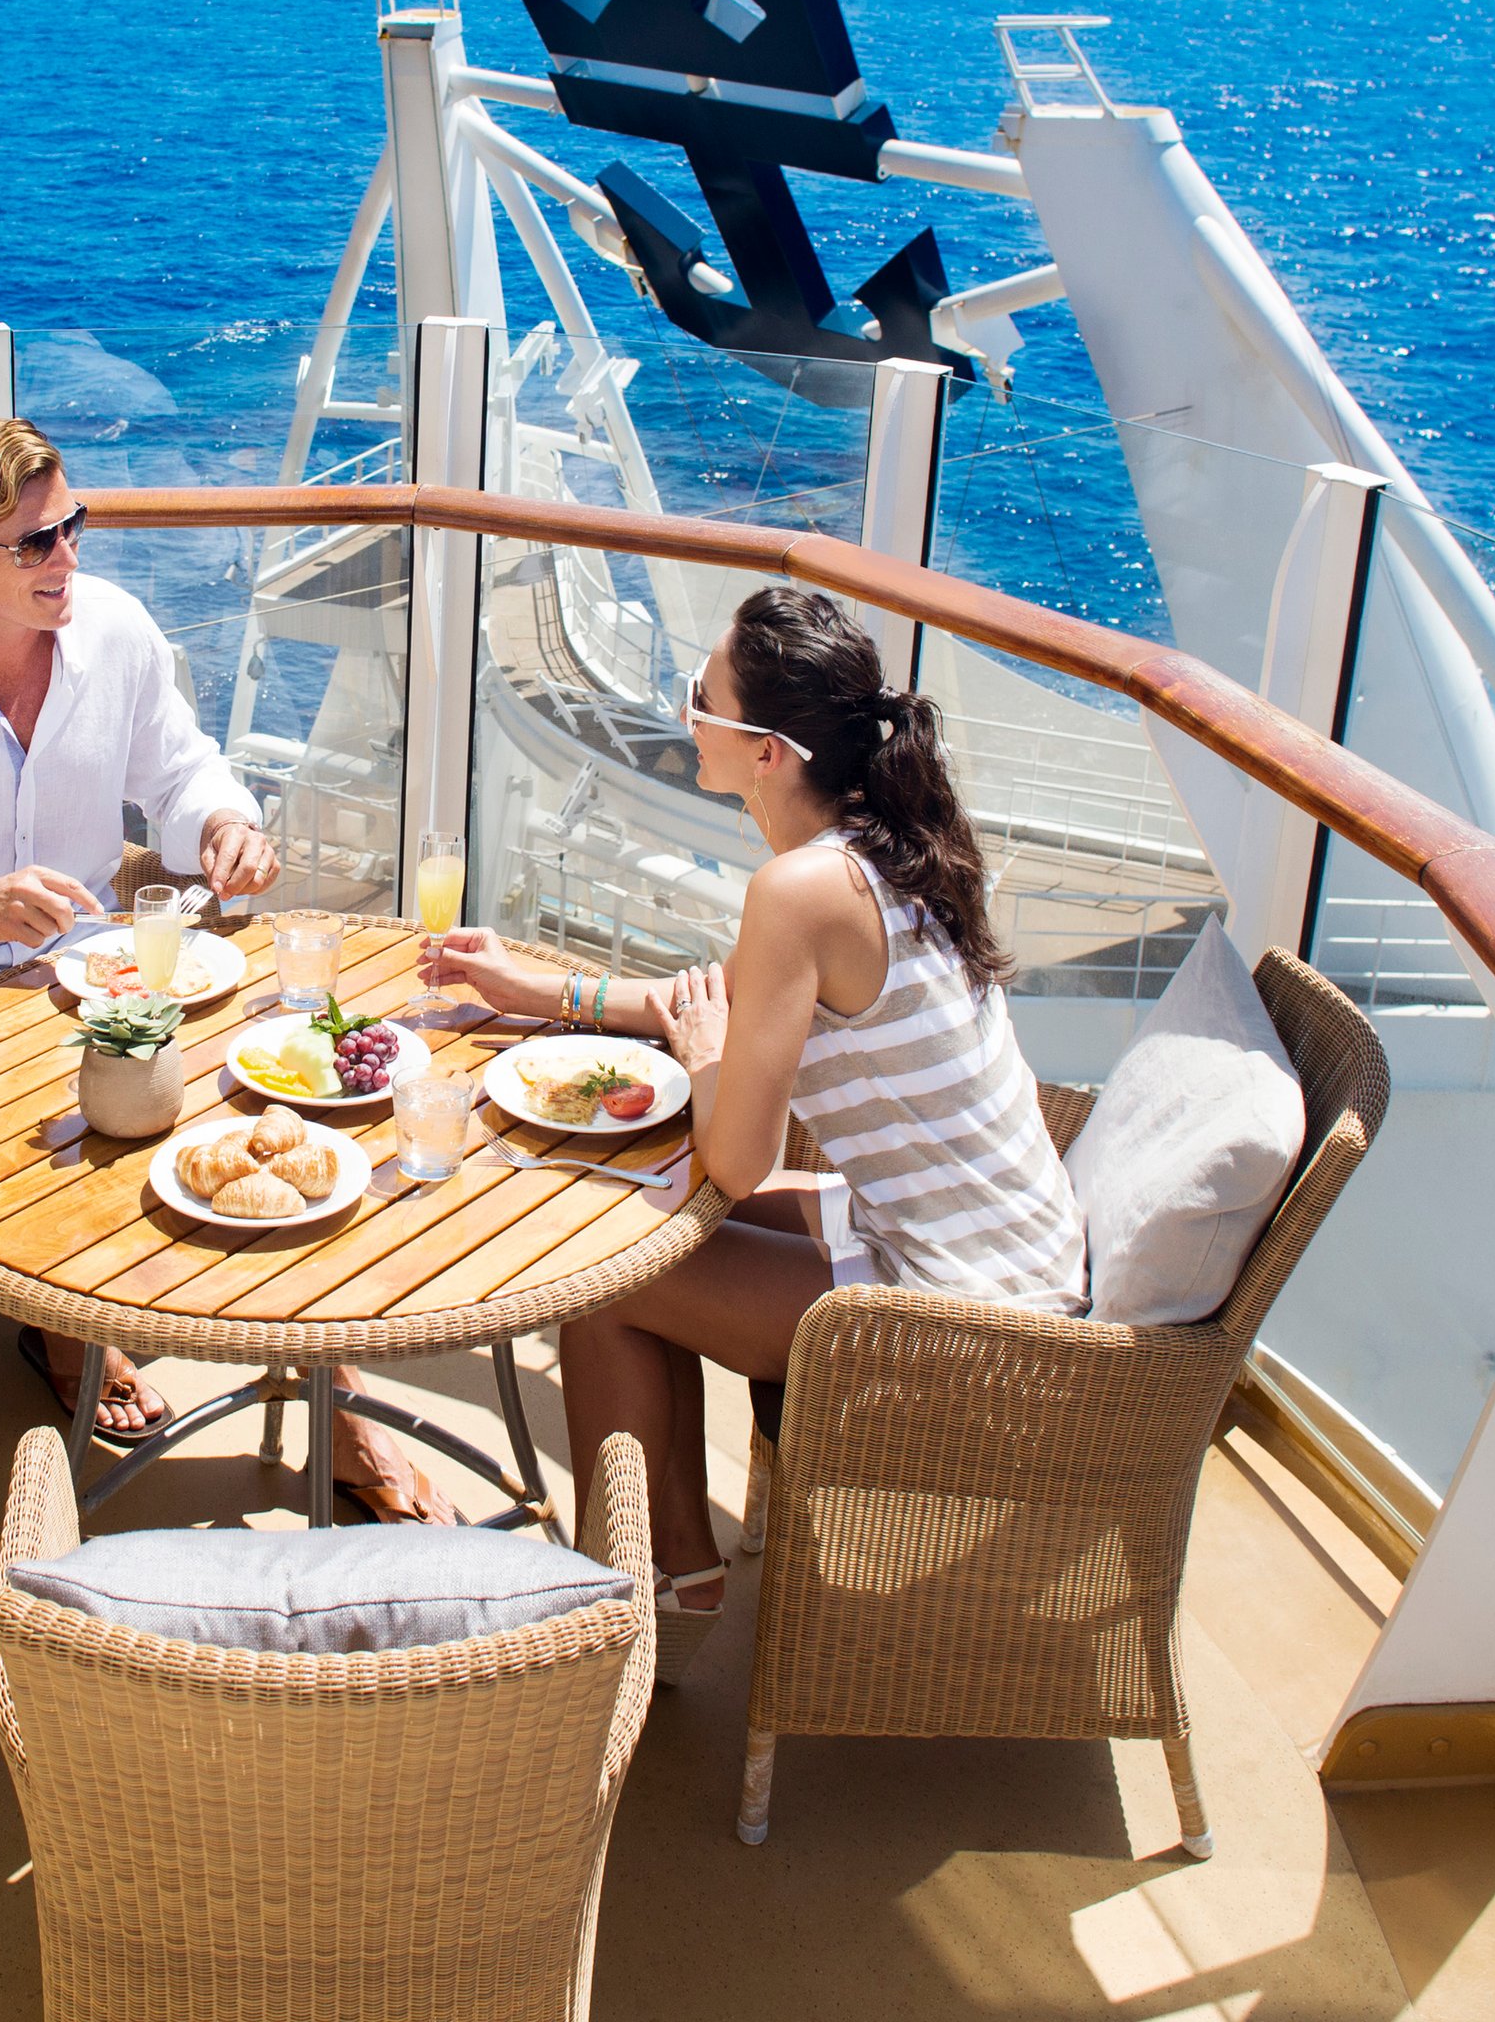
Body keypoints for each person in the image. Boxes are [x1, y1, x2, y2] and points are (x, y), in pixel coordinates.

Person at [0, 415, 452, 1519]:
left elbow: (181, 774)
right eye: (35, 542)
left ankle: (328, 1377)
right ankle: (70, 1331)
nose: (67, 556)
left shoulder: (113, 631)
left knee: (259, 1097)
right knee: (106, 1106)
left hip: (95, 968)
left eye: (73, 525)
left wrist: (224, 826)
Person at [421, 586, 1084, 1623]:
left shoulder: (801, 892)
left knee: (602, 1277)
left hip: (977, 1324)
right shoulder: (885, 846)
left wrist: (706, 1057)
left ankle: (637, 1603)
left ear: (768, 752)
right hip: (1006, 1255)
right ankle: (668, 1571)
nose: (683, 708)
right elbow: (722, 999)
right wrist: (538, 990)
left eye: (701, 694)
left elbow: (735, 1161)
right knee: (630, 1229)